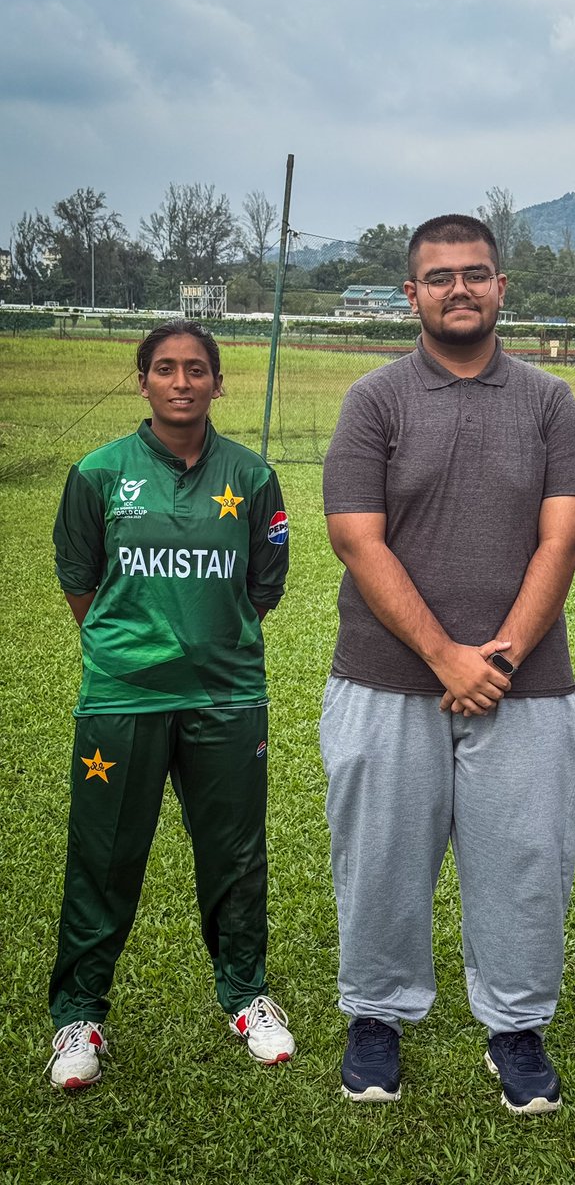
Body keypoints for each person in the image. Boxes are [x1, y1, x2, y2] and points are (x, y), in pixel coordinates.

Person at [320, 215, 575, 1113]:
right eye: (439, 278)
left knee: (525, 858)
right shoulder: (376, 399)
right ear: (412, 295)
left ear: (502, 286)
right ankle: (376, 1017)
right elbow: (356, 539)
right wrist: (445, 657)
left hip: (524, 682)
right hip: (385, 677)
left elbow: (566, 533)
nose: (459, 290)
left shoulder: (549, 400)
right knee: (382, 858)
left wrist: (500, 656)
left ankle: (514, 1027)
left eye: (476, 274)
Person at [46, 319, 295, 1089]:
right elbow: (79, 579)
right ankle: (79, 1017)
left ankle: (248, 996)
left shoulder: (251, 477)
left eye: (196, 369)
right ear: (143, 379)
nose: (181, 382)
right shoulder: (98, 472)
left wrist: (209, 641)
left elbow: (266, 583)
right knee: (104, 855)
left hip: (227, 697)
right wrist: (130, 650)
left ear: (219, 383)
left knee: (235, 854)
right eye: (164, 369)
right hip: (122, 698)